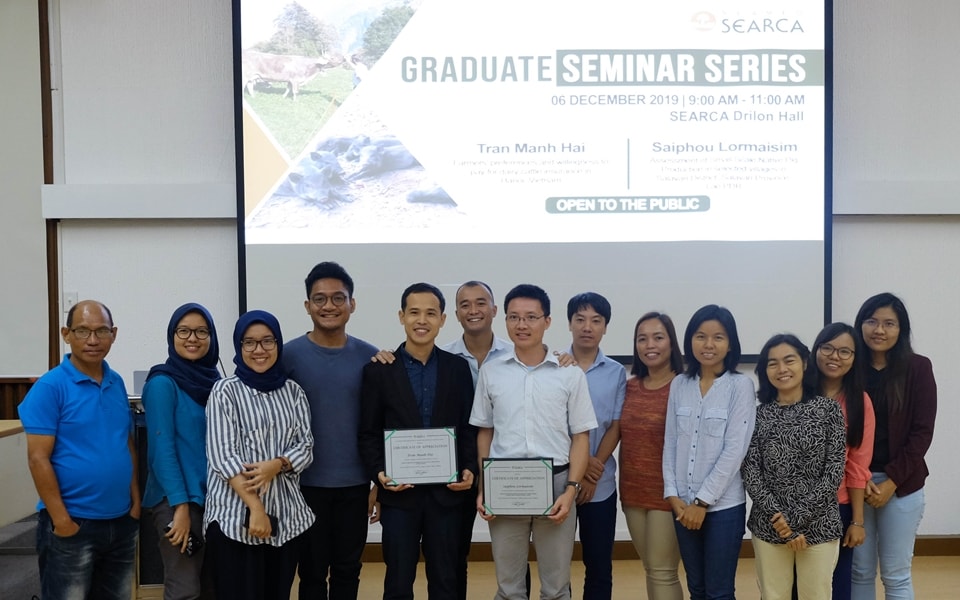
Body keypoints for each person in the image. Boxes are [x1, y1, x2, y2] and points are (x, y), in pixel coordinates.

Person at [471, 284, 598, 600]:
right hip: (505, 485)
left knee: (556, 587)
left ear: (548, 321)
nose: (521, 325)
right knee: (509, 585)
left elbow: (581, 436)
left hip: (556, 485)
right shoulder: (492, 370)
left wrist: (571, 491)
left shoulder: (569, 374)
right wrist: (485, 486)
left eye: (530, 317)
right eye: (514, 317)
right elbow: (485, 430)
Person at [358, 282, 478, 600]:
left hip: (447, 496)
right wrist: (380, 475)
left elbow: (468, 429)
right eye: (414, 312)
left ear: (442, 319)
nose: (421, 320)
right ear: (401, 316)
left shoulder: (458, 369)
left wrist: (469, 469)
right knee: (398, 581)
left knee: (446, 579)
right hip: (399, 498)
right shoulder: (380, 371)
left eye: (430, 313)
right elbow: (369, 433)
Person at [19, 299, 141, 600]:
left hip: (121, 522)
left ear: (114, 334)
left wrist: (135, 501)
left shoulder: (116, 382)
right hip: (73, 524)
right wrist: (62, 520)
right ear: (66, 334)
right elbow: (38, 458)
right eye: (83, 331)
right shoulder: (51, 387)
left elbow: (124, 442)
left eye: (101, 331)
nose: (93, 340)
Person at [283, 261, 380, 600]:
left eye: (338, 298)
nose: (329, 306)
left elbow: (380, 425)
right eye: (319, 299)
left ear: (352, 304)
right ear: (308, 305)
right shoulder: (287, 356)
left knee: (347, 570)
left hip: (355, 486)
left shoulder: (372, 358)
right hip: (304, 486)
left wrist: (378, 484)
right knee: (310, 572)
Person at [204, 310, 315, 600]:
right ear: (239, 347)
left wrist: (276, 465)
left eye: (268, 341)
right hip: (234, 519)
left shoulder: (293, 392)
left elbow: (306, 446)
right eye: (249, 342)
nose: (259, 350)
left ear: (278, 344)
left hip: (286, 519)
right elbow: (222, 457)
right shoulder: (224, 392)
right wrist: (256, 508)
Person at [742, 334, 846, 600]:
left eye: (789, 360)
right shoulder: (758, 414)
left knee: (817, 595)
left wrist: (795, 521)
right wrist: (780, 520)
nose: (782, 369)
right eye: (772, 363)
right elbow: (751, 471)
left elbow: (834, 471)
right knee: (773, 595)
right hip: (769, 525)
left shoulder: (828, 410)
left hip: (819, 525)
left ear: (804, 363)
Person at [662, 304, 755, 600]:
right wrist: (673, 494)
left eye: (718, 337)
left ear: (730, 344)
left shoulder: (740, 385)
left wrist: (701, 503)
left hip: (722, 508)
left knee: (718, 592)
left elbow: (735, 450)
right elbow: (671, 442)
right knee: (697, 589)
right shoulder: (679, 384)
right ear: (690, 341)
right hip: (682, 504)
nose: (709, 345)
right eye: (701, 336)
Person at [851, 293, 937, 600]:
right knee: (858, 572)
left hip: (901, 486)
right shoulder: (849, 368)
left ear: (901, 330)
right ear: (860, 324)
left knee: (896, 575)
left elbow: (922, 433)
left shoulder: (918, 368)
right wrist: (858, 479)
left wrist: (892, 480)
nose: (879, 330)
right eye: (871, 321)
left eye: (889, 323)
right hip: (853, 485)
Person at [143, 303, 221, 600]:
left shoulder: (216, 384)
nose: (193, 338)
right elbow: (162, 452)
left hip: (212, 501)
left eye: (202, 331)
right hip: (176, 501)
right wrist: (181, 508)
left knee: (212, 588)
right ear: (172, 336)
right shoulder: (163, 383)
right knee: (185, 590)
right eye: (184, 331)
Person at [441, 280, 512, 600]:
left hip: (507, 464)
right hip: (455, 468)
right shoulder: (442, 358)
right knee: (454, 552)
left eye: (481, 302)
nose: (473, 310)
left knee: (512, 555)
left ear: (495, 310)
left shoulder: (516, 356)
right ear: (455, 314)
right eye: (465, 304)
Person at [619, 312, 685, 600]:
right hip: (632, 492)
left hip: (668, 494)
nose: (650, 345)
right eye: (642, 339)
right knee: (651, 568)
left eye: (658, 337)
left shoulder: (685, 386)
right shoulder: (630, 386)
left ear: (671, 343)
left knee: (662, 570)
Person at [565, 292, 626, 600]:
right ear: (569, 324)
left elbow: (615, 426)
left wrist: (591, 468)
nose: (587, 327)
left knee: (599, 564)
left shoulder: (616, 372)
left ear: (605, 327)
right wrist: (579, 466)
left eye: (596, 321)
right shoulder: (554, 366)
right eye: (580, 319)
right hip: (560, 481)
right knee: (557, 564)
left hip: (598, 484)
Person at [811, 323, 875, 600]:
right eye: (828, 348)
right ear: (816, 351)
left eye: (845, 351)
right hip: (793, 504)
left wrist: (857, 522)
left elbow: (858, 465)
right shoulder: (798, 393)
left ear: (855, 358)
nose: (834, 356)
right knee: (793, 584)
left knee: (836, 585)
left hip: (838, 508)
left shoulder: (860, 402)